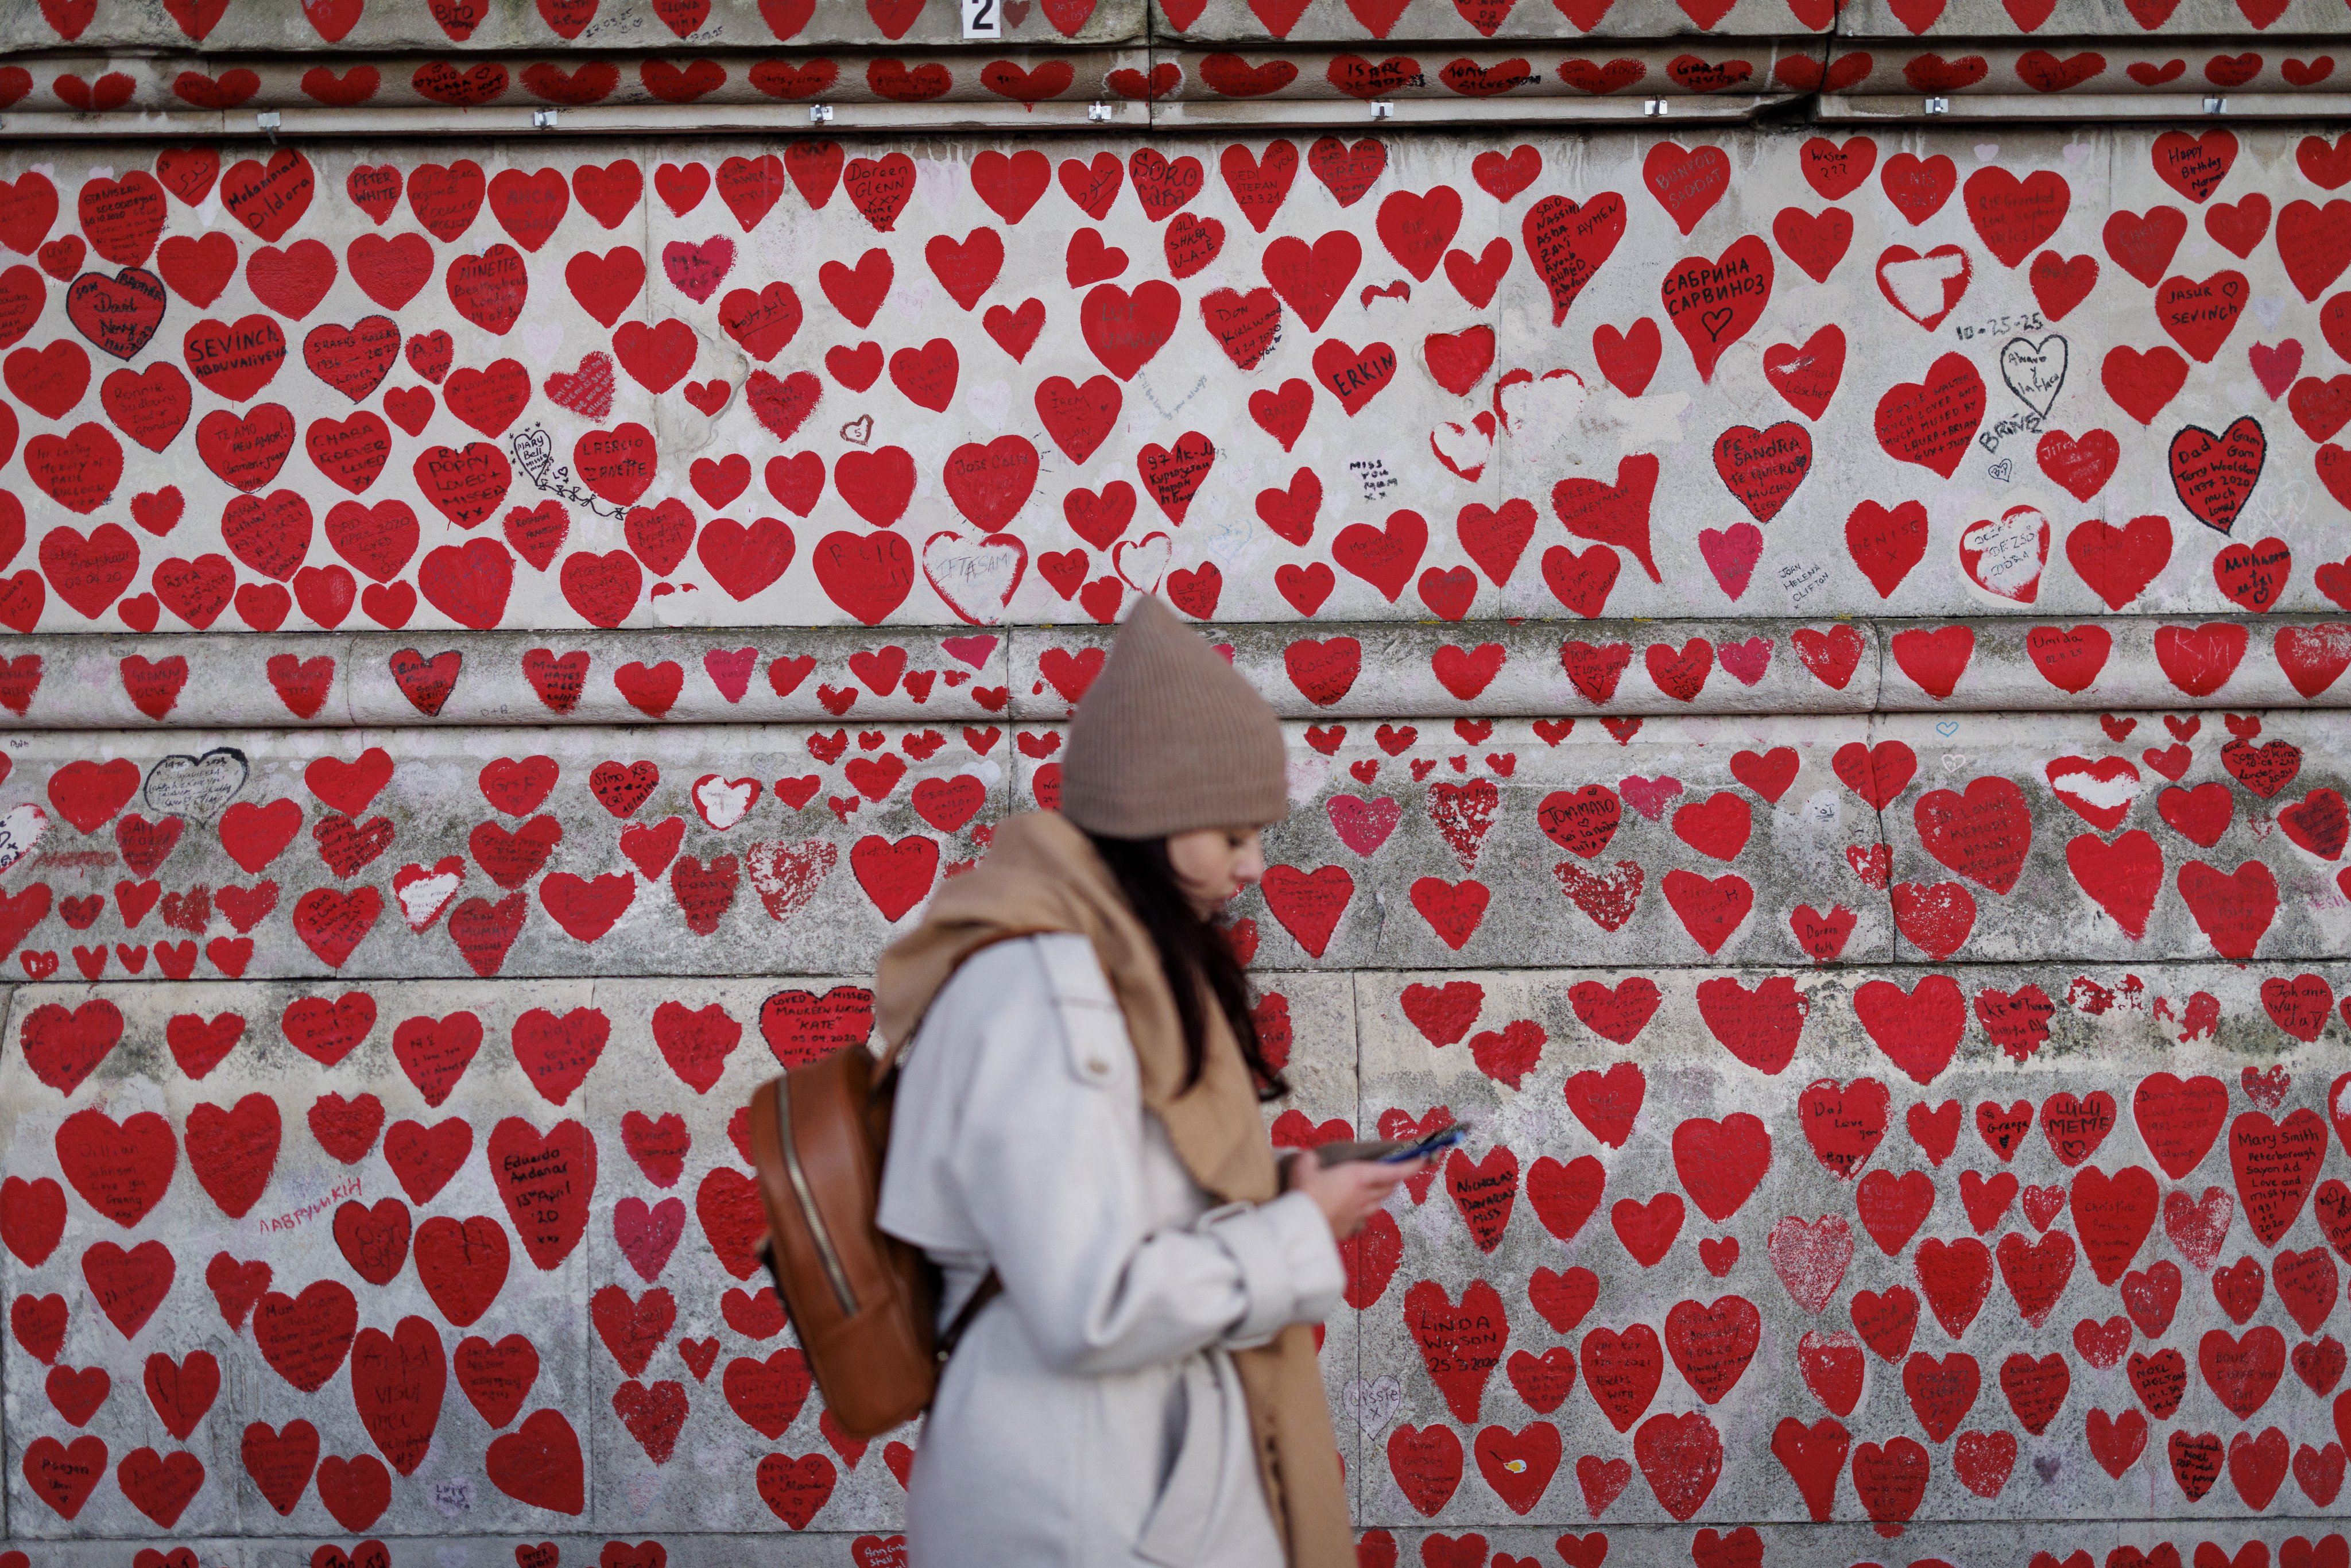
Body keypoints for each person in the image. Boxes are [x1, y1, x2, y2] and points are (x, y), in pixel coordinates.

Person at [873, 596, 1416, 1568]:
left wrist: (1288, 1190)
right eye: (1230, 834)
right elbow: (1092, 1306)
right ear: (1153, 818)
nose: (1253, 867)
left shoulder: (1086, 967)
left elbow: (1109, 1203)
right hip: (1090, 1499)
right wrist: (1296, 1233)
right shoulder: (1051, 991)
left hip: (1114, 1472)